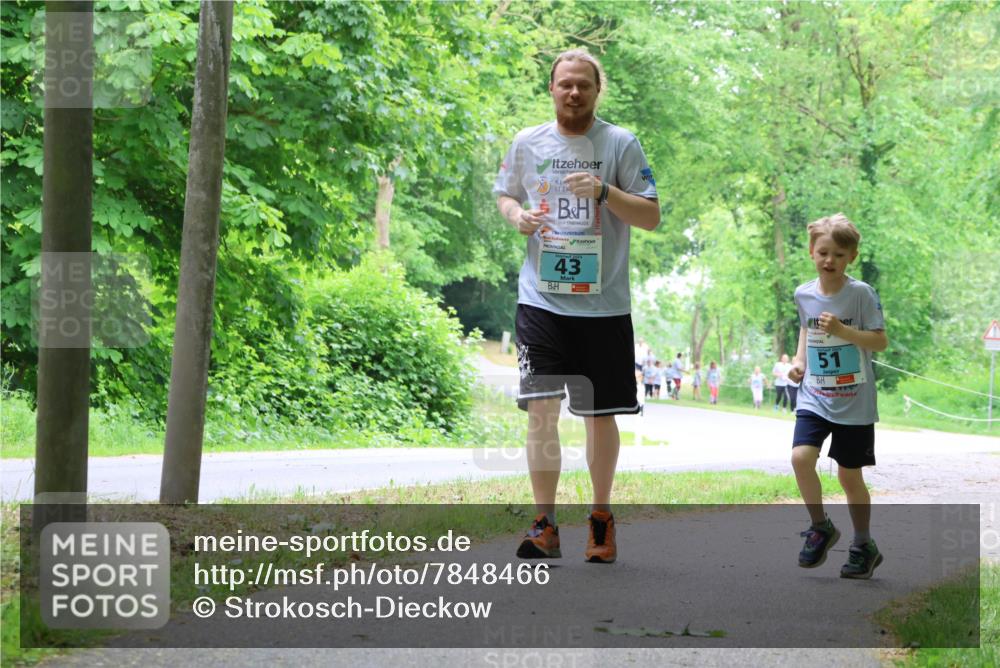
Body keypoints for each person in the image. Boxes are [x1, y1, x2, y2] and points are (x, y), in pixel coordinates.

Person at [494, 48, 660, 564]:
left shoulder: (619, 143)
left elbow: (652, 216)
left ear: (596, 90)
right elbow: (504, 194)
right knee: (541, 413)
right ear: (552, 88)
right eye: (564, 84)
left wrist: (606, 191)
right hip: (541, 301)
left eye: (583, 85)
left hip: (604, 305)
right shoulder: (528, 142)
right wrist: (517, 214)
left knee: (599, 415)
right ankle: (544, 523)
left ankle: (600, 519)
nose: (573, 92)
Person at [787, 213, 888, 579]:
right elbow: (805, 330)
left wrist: (844, 330)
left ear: (852, 257)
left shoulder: (861, 294)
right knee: (801, 458)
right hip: (814, 394)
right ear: (812, 252)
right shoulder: (803, 293)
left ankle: (863, 544)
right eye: (823, 252)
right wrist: (799, 362)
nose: (830, 261)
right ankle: (821, 526)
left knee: (849, 477)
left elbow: (880, 340)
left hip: (854, 400)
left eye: (839, 255)